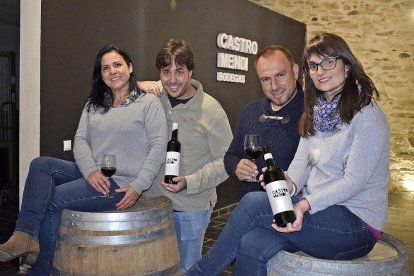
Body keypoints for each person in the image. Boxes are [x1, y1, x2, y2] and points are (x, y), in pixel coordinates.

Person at [186, 32, 390, 275]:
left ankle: (198, 272)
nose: (320, 71)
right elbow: (301, 164)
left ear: (346, 64)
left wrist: (304, 203)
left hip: (355, 224)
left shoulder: (366, 114)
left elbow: (353, 182)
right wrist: (287, 183)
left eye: (329, 61)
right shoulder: (316, 112)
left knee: (252, 203)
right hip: (318, 212)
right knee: (251, 244)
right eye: (313, 65)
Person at [0, 44, 168, 275]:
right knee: (40, 165)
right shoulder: (94, 104)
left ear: (130, 67)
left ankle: (40, 270)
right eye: (105, 68)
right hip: (91, 174)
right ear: (101, 75)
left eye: (117, 64)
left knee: (52, 200)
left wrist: (138, 187)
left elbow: (159, 148)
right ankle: (25, 236)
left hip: (118, 183)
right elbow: (80, 139)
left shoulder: (148, 103)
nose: (112, 71)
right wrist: (90, 170)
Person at [139, 39, 233, 273]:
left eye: (179, 72)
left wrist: (190, 182)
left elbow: (227, 161)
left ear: (190, 71)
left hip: (191, 208)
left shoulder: (211, 110)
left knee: (186, 269)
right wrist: (135, 85)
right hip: (151, 204)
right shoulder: (152, 100)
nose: (172, 80)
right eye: (166, 72)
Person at [224, 45, 304, 197]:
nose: (274, 86)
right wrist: (236, 167)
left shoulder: (314, 113)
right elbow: (231, 155)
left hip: (295, 214)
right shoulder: (249, 111)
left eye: (280, 75)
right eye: (266, 79)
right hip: (252, 210)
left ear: (295, 71)